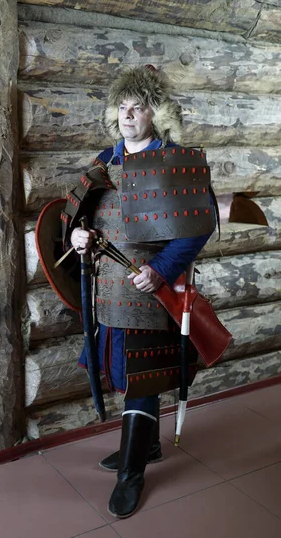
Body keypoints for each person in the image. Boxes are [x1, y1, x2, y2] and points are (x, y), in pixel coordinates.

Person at [60, 65, 216, 518]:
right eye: (123, 107)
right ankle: (145, 447)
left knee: (141, 378)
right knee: (117, 369)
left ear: (156, 113)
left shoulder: (175, 159)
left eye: (139, 107)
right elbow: (78, 216)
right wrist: (77, 237)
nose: (129, 115)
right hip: (108, 289)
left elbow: (197, 226)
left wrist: (162, 271)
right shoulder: (105, 159)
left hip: (151, 289)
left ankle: (131, 475)